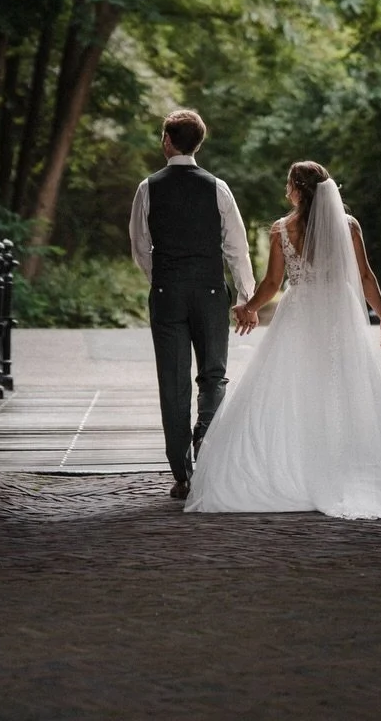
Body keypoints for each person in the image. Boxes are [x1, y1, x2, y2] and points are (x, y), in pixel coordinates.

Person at [185, 159, 381, 519]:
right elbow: (364, 275)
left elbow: (272, 285)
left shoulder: (283, 230)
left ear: (298, 189)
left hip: (299, 315)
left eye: (288, 184)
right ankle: (347, 466)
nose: (286, 190)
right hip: (338, 314)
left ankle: (299, 467)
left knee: (298, 389)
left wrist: (247, 307)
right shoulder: (348, 225)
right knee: (346, 387)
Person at [129, 109, 255, 501]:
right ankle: (206, 437)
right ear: (197, 143)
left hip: (168, 293)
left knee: (173, 381)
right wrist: (246, 295)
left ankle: (182, 475)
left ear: (167, 140)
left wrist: (163, 278)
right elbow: (236, 245)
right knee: (213, 375)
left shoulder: (147, 188)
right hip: (210, 293)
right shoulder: (217, 188)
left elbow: (140, 247)